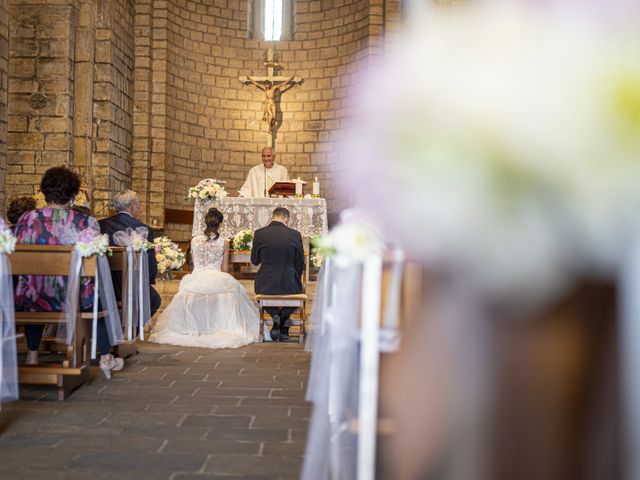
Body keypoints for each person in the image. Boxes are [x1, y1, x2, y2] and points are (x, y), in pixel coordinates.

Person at [13, 166, 124, 378]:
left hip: (30, 299)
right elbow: (94, 260)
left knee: (33, 284)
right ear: (74, 194)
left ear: (44, 192)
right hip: (72, 298)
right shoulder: (83, 221)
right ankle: (105, 356)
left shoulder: (27, 219)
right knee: (95, 295)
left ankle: (33, 354)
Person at [149, 208, 259, 348]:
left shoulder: (194, 240)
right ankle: (219, 325)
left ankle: (195, 327)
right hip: (217, 275)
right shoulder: (224, 242)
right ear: (220, 224)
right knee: (231, 291)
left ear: (205, 222)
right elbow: (225, 269)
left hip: (196, 276)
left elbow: (195, 265)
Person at [99, 190, 161, 317]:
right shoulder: (143, 229)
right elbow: (149, 268)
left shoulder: (101, 225)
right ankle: (130, 330)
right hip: (132, 287)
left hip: (105, 285)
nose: (140, 211)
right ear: (132, 206)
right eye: (139, 207)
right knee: (154, 300)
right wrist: (149, 279)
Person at [251, 207, 304, 341]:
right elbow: (299, 264)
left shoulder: (259, 233)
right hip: (290, 284)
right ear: (286, 220)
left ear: (272, 217)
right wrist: (294, 277)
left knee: (259, 292)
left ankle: (276, 317)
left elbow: (255, 261)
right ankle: (283, 320)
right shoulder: (295, 234)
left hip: (265, 285)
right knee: (298, 293)